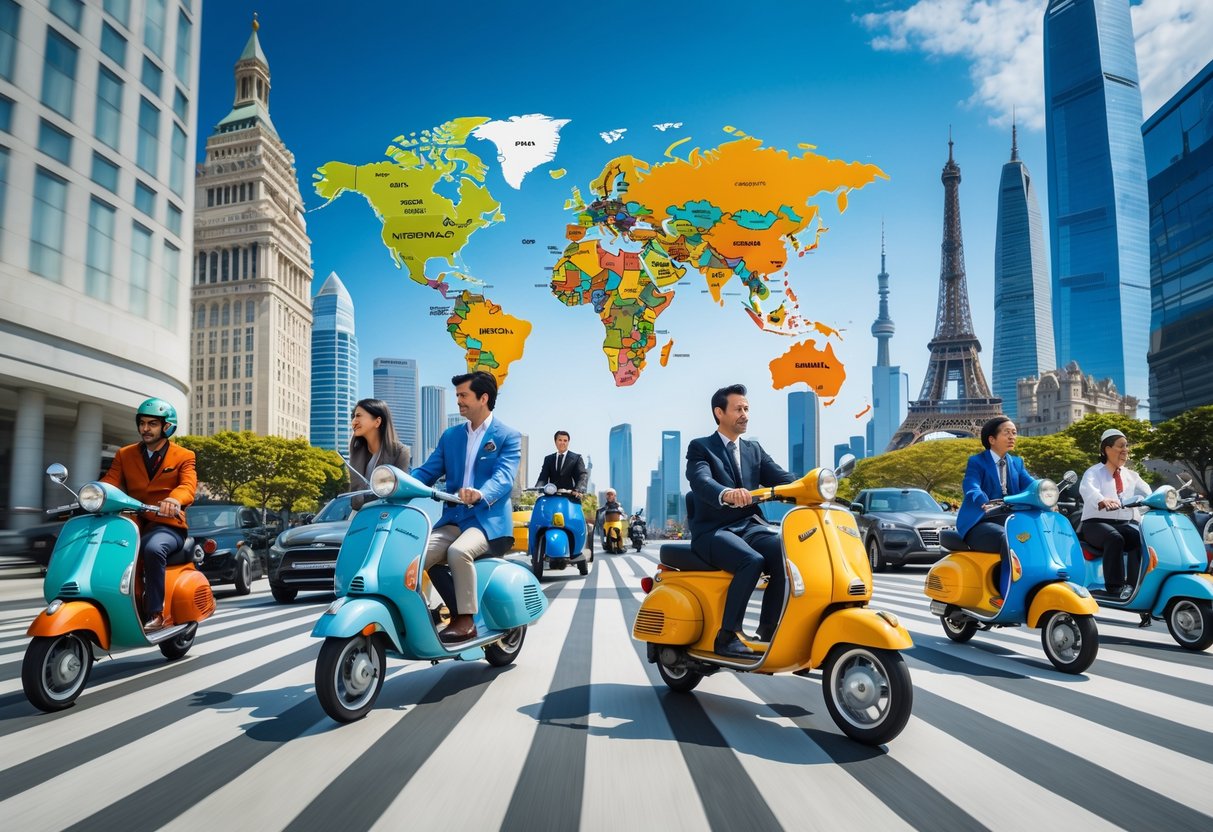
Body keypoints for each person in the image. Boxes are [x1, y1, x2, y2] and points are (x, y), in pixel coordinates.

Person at [686, 383, 795, 657]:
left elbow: (785, 480)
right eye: (738, 409)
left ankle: (768, 632)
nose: (745, 414)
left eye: (747, 408)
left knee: (786, 553)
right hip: (714, 530)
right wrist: (726, 494)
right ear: (719, 413)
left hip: (749, 527)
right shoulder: (701, 448)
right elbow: (701, 481)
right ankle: (727, 635)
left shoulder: (753, 450)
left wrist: (818, 485)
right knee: (752, 561)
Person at [412, 371, 521, 643]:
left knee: (458, 552)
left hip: (488, 521)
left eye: (463, 396)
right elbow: (427, 471)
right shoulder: (450, 436)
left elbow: (504, 479)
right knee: (417, 556)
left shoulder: (508, 436)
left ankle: (466, 621)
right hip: (454, 519)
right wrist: (395, 483)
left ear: (483, 398)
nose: (458, 401)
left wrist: (480, 493)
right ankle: (419, 615)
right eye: (457, 396)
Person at [100, 398, 197, 631]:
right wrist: (94, 494)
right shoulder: (125, 454)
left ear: (167, 427)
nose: (145, 428)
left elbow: (187, 485)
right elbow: (109, 483)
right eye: (142, 423)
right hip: (131, 522)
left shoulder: (184, 455)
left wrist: (174, 499)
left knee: (152, 549)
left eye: (152, 424)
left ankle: (156, 612)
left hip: (167, 524)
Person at [956, 416, 1036, 591]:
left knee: (1035, 537)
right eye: (1007, 433)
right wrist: (983, 500)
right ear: (991, 439)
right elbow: (971, 484)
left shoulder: (1017, 462)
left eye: (1014, 433)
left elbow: (1031, 484)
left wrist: (1048, 490)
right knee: (1006, 538)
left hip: (1009, 519)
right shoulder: (977, 461)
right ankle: (1006, 589)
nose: (1012, 437)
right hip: (981, 521)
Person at [1078, 428, 1151, 599]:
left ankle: (1133, 586)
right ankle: (1114, 587)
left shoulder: (1132, 475)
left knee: (1140, 538)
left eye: (1126, 446)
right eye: (1120, 446)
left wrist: (1167, 497)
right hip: (1095, 524)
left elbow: (1149, 492)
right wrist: (1101, 500)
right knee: (1114, 538)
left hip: (1123, 524)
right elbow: (1088, 490)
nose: (1125, 450)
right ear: (1107, 449)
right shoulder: (1094, 472)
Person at [349, 398, 411, 485]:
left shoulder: (400, 453)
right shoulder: (356, 452)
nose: (353, 422)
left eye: (358, 416)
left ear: (377, 422)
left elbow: (400, 490)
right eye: (354, 417)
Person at [534, 430, 588, 495]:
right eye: (560, 440)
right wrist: (536, 491)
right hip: (551, 496)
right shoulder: (548, 459)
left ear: (568, 442)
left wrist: (579, 490)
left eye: (565, 441)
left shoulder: (576, 458)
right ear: (555, 441)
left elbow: (582, 475)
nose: (562, 443)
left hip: (570, 496)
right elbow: (542, 478)